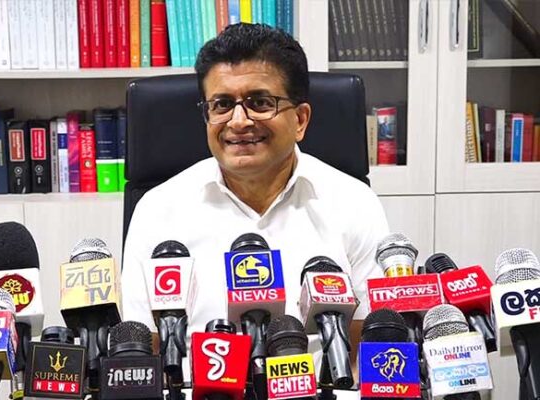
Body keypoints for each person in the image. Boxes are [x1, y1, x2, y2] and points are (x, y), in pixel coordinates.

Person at [122, 23, 389, 370]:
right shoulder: (157, 210)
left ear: (300, 120)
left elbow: (372, 338)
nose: (238, 121)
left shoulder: (354, 203)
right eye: (222, 104)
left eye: (260, 103)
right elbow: (142, 346)